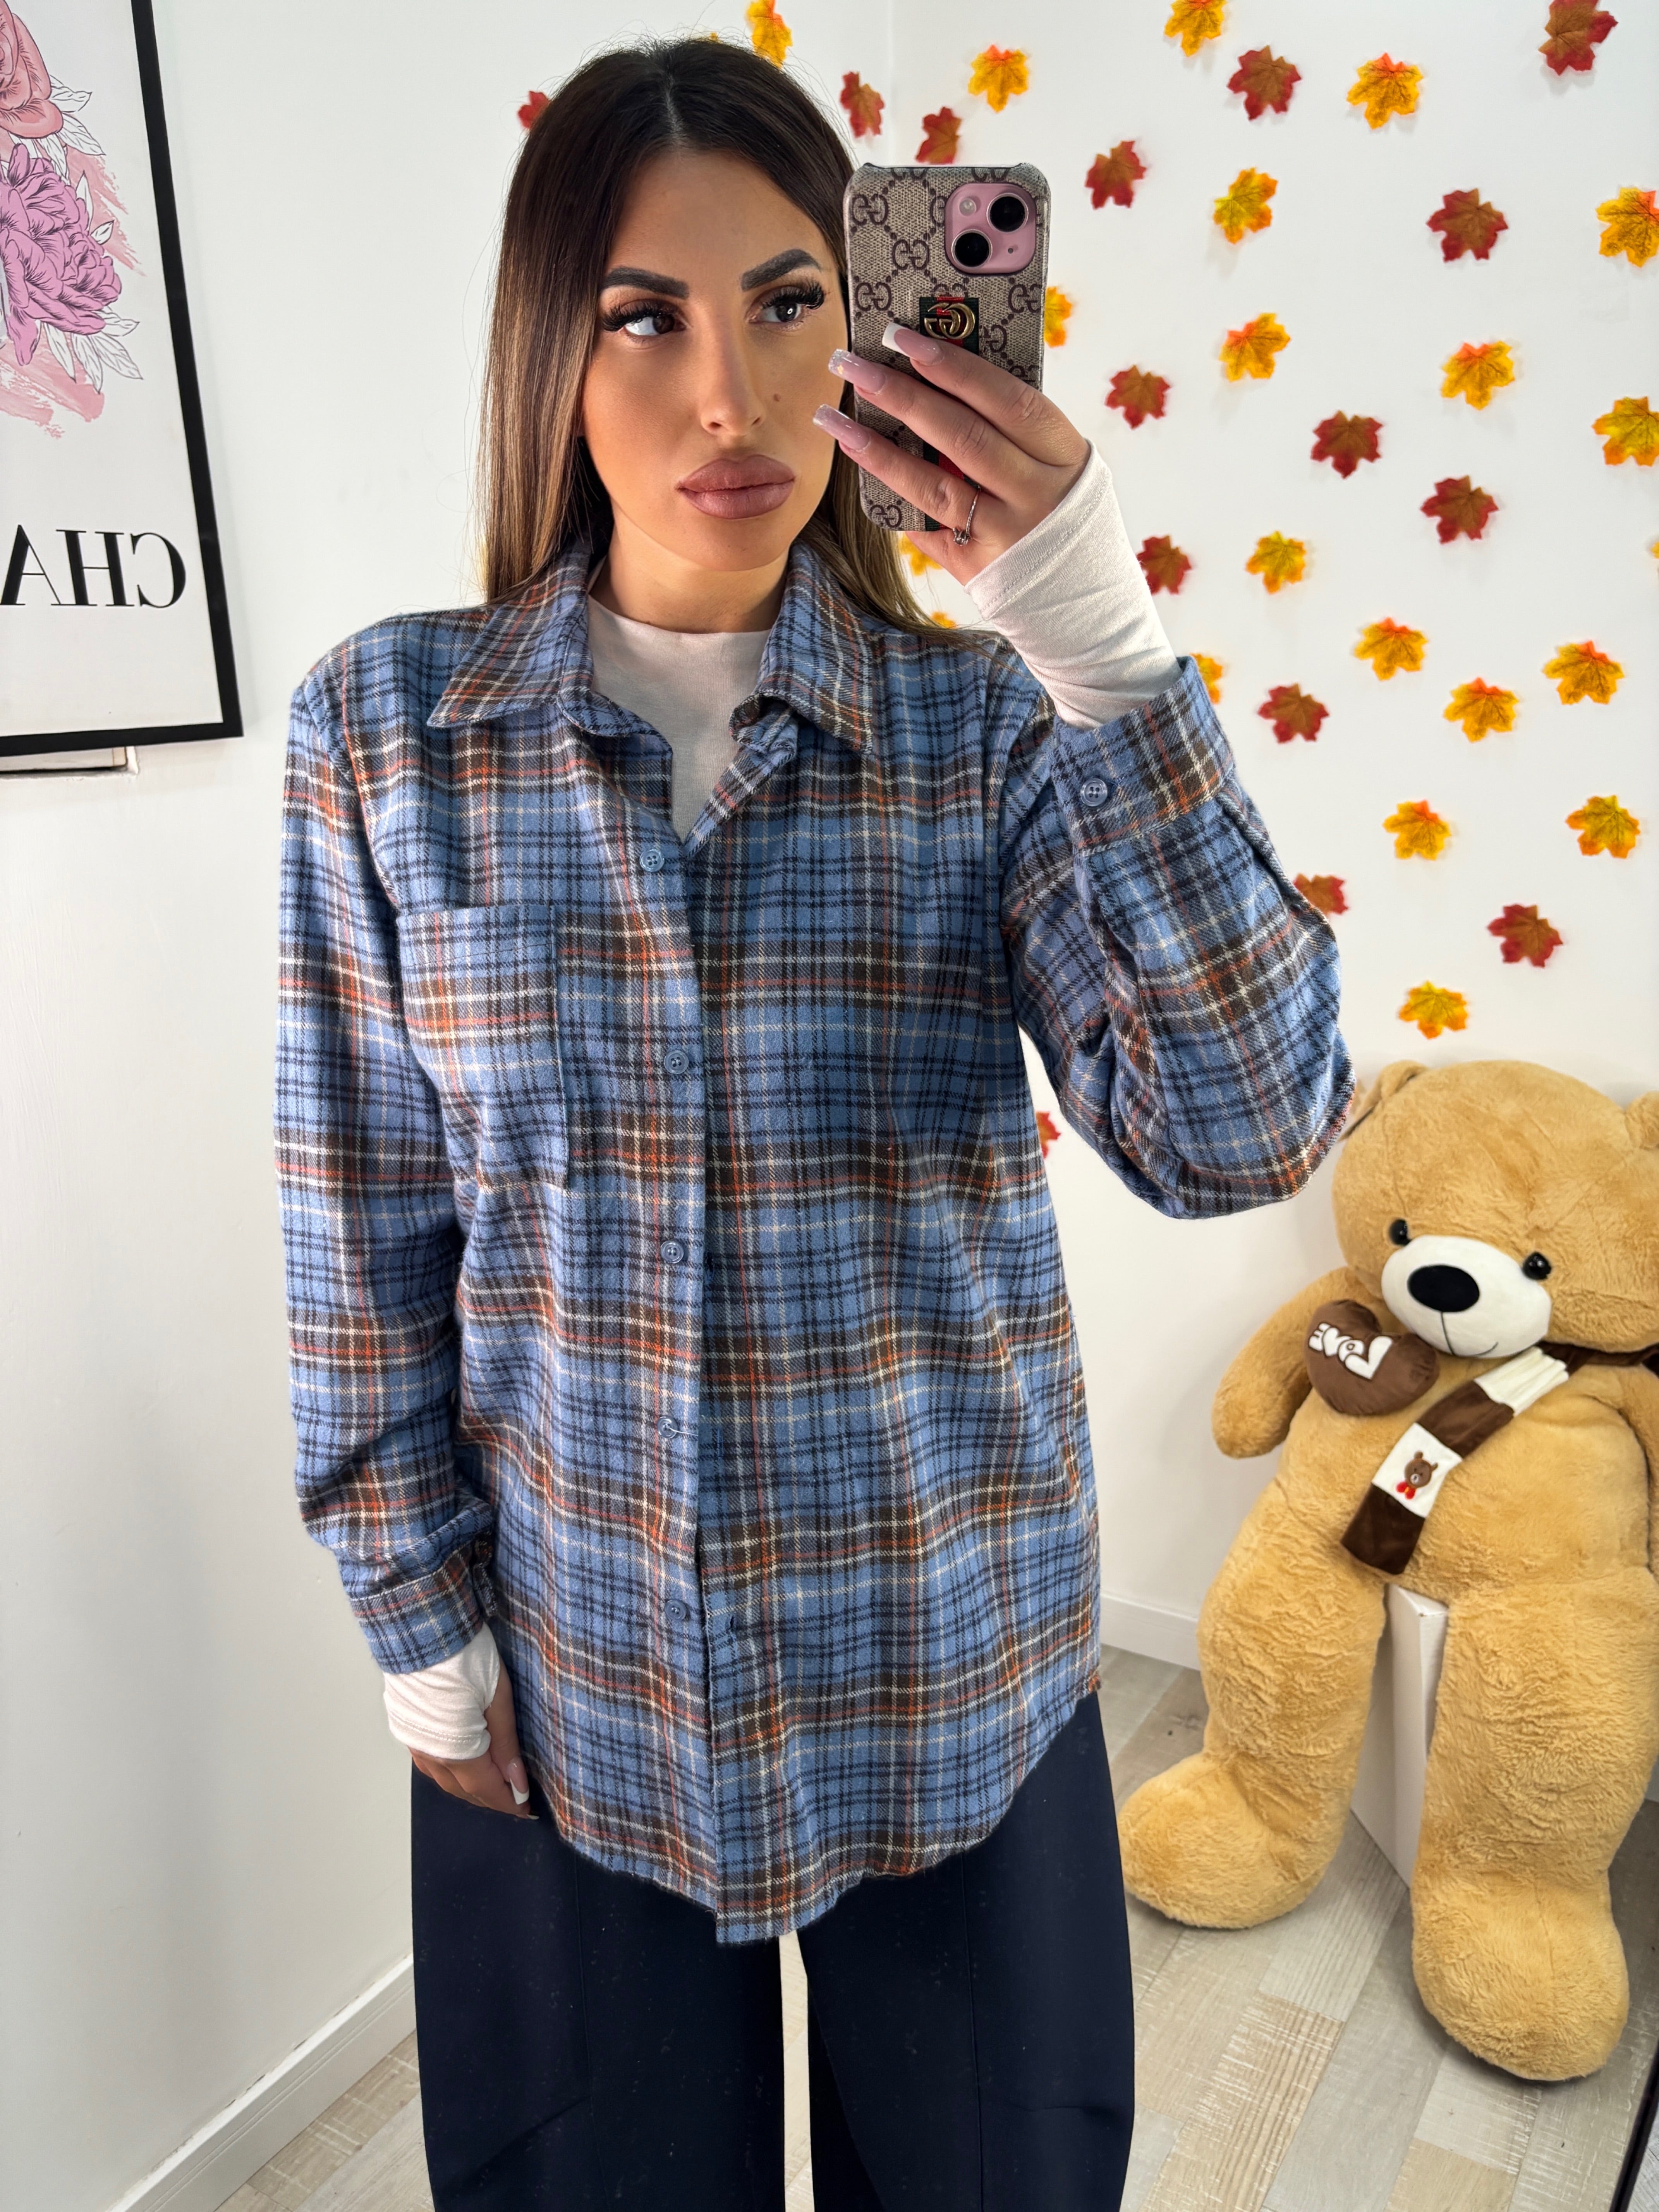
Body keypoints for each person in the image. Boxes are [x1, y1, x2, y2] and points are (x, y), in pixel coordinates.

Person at [275, 36, 1351, 2212]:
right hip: (575, 1696)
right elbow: (362, 1230)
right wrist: (420, 1628)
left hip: (953, 1674)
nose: (729, 396)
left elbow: (1243, 1136)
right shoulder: (388, 734)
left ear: (871, 329)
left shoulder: (995, 732)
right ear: (550, 356)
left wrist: (1099, 642)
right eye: (642, 318)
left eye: (790, 304)